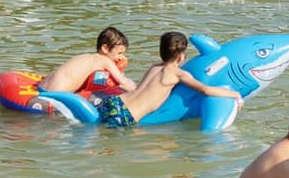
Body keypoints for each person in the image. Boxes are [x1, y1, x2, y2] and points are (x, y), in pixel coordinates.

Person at [93, 31, 242, 127]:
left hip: (114, 102)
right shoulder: (178, 74)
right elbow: (205, 90)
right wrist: (235, 94)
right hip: (127, 115)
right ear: (181, 56)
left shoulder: (154, 67)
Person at [38, 27, 135, 95]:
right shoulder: (105, 60)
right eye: (119, 53)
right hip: (56, 94)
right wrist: (138, 92)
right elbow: (124, 84)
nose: (121, 58)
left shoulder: (86, 57)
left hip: (42, 87)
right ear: (105, 48)